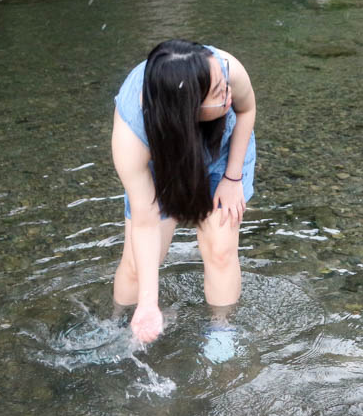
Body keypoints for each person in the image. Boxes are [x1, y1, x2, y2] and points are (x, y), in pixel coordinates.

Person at [110, 39, 257, 350]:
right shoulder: (131, 136)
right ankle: (120, 324)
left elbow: (246, 109)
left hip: (223, 152)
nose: (227, 92)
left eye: (224, 83)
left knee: (220, 249)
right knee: (138, 266)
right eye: (218, 93)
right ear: (188, 106)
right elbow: (145, 221)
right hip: (161, 159)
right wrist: (150, 303)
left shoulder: (226, 68)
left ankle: (221, 330)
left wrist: (233, 177)